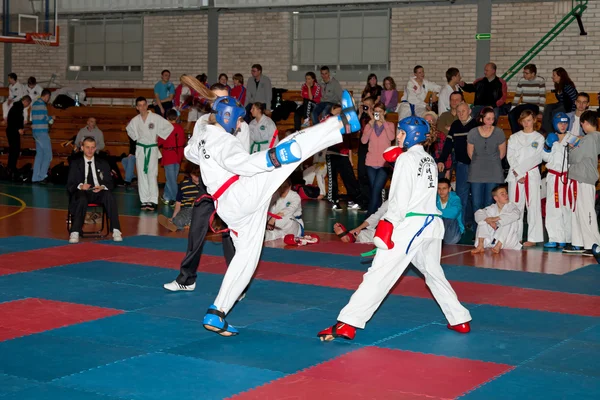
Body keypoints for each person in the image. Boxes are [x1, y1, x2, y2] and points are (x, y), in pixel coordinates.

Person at [182, 76, 360, 336]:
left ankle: (217, 312)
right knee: (287, 150)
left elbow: (189, 153)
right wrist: (272, 158)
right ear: (229, 118)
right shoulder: (224, 142)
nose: (240, 124)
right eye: (239, 119)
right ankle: (342, 123)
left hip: (231, 208)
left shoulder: (203, 136)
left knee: (245, 259)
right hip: (242, 192)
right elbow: (242, 165)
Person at [318, 116, 472, 342]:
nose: (397, 136)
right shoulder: (428, 159)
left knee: (378, 272)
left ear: (412, 135)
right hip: (431, 225)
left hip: (411, 225)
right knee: (433, 273)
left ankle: (347, 323)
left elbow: (399, 197)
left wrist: (388, 223)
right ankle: (459, 318)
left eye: (401, 132)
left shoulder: (406, 159)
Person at [163, 83, 244, 292]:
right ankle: (186, 279)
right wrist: (206, 155)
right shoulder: (202, 123)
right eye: (217, 99)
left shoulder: (239, 122)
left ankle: (237, 284)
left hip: (229, 186)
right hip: (208, 186)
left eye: (225, 99)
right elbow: (190, 152)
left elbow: (242, 155)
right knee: (196, 230)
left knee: (229, 235)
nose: (221, 103)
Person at [67, 137, 122, 244]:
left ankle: (116, 230)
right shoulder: (75, 163)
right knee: (81, 198)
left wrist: (102, 186)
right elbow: (70, 185)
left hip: (98, 192)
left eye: (92, 148)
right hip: (82, 192)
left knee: (109, 196)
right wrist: (81, 186)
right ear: (82, 148)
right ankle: (75, 231)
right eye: (87, 147)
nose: (90, 150)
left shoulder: (103, 163)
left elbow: (110, 183)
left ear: (95, 148)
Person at [126, 97, 174, 211]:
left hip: (151, 148)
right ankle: (144, 200)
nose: (142, 107)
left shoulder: (155, 118)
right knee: (142, 175)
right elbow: (129, 129)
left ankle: (153, 200)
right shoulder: (135, 120)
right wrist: (136, 137)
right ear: (137, 107)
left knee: (152, 175)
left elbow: (169, 127)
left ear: (147, 105)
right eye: (140, 105)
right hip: (141, 148)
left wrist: (158, 135)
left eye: (144, 104)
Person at [563, 111, 600, 256]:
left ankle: (594, 244)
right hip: (581, 178)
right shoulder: (592, 138)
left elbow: (574, 157)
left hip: (584, 178)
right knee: (578, 212)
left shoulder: (590, 138)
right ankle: (580, 243)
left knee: (587, 212)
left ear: (584, 123)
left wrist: (573, 145)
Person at [506, 110, 544, 246]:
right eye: (524, 121)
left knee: (533, 206)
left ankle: (533, 238)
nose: (526, 123)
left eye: (529, 120)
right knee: (515, 206)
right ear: (520, 122)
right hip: (516, 176)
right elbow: (510, 156)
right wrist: (518, 173)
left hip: (532, 175)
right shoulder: (514, 137)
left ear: (534, 120)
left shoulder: (539, 138)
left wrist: (523, 172)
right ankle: (515, 236)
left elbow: (537, 158)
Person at [542, 112, 573, 249]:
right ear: (555, 124)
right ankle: (554, 238)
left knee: (568, 208)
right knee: (553, 208)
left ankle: (569, 238)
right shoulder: (550, 138)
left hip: (568, 178)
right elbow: (545, 159)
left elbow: (579, 155)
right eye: (560, 123)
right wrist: (547, 146)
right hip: (554, 177)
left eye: (565, 123)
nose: (563, 125)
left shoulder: (572, 138)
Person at [467, 107, 507, 212]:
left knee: (489, 203)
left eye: (493, 119)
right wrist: (480, 161)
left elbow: (502, 153)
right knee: (476, 203)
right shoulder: (473, 132)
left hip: (494, 171)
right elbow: (470, 153)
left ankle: (488, 228)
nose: (491, 121)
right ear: (481, 119)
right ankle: (478, 228)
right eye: (488, 118)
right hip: (476, 172)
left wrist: (491, 162)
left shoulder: (499, 132)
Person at [361, 101, 395, 216]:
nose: (378, 114)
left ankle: (369, 217)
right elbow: (363, 141)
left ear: (384, 112)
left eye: (380, 112)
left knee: (376, 190)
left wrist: (383, 122)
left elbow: (391, 137)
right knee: (375, 190)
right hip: (370, 163)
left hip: (384, 164)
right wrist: (370, 125)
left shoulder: (390, 125)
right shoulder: (369, 125)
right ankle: (379, 214)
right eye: (376, 112)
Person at [471, 185, 521, 254]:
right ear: (496, 198)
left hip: (506, 242)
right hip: (491, 241)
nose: (506, 195)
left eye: (506, 193)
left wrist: (496, 218)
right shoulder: (491, 208)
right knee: (483, 220)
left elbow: (516, 214)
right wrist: (489, 221)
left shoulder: (512, 206)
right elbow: (478, 213)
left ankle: (498, 246)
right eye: (502, 194)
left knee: (510, 220)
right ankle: (480, 246)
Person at [158, 163, 202, 232]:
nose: (197, 178)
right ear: (190, 174)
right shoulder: (184, 184)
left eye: (199, 176)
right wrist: (173, 217)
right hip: (186, 209)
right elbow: (178, 203)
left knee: (202, 218)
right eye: (195, 175)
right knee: (178, 219)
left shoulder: (205, 185)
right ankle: (181, 224)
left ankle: (189, 225)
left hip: (200, 209)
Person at [158, 109, 186, 205]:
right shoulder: (181, 129)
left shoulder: (166, 129)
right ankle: (166, 196)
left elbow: (158, 142)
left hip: (168, 156)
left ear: (167, 118)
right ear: (176, 117)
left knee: (171, 179)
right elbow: (183, 142)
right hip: (178, 156)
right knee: (172, 178)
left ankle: (176, 199)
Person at [508, 64, 546, 133]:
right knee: (511, 114)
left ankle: (523, 133)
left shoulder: (540, 80)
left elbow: (542, 98)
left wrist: (541, 112)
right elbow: (517, 96)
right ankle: (517, 135)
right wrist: (512, 109)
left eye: (526, 73)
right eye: (524, 73)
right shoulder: (521, 81)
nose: (524, 75)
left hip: (534, 106)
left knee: (524, 115)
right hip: (524, 105)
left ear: (533, 74)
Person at [542, 67, 577, 134]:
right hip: (563, 105)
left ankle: (553, 130)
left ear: (560, 76)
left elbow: (573, 101)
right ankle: (546, 130)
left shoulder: (568, 87)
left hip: (569, 107)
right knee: (548, 106)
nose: (552, 77)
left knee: (555, 111)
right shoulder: (558, 86)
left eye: (554, 75)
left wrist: (572, 111)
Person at [5, 95, 32, 179]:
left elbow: (15, 120)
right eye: (28, 104)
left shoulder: (17, 107)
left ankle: (11, 168)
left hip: (12, 131)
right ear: (26, 101)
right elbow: (13, 120)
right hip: (13, 131)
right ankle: (11, 168)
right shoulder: (18, 108)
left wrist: (21, 127)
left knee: (14, 150)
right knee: (15, 150)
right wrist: (19, 129)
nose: (28, 105)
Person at [31, 89, 53, 184]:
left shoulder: (35, 103)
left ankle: (35, 177)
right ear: (47, 96)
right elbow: (43, 117)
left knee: (39, 155)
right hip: (42, 132)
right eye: (48, 97)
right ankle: (42, 176)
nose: (48, 99)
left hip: (36, 132)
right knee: (48, 155)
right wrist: (51, 118)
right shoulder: (41, 105)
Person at [437, 178, 464, 245]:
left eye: (444, 188)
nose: (441, 191)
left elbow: (453, 213)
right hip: (438, 225)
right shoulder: (434, 198)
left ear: (449, 189)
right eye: (439, 188)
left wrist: (436, 212)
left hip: (452, 226)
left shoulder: (455, 198)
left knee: (448, 218)